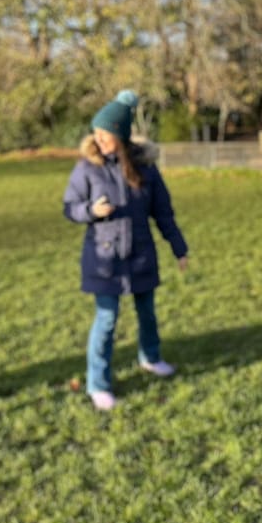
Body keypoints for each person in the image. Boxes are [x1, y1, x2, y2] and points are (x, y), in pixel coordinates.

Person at [63, 91, 189, 411]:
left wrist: (179, 248)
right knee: (106, 320)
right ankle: (98, 384)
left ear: (121, 134)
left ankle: (151, 357)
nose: (100, 139)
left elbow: (163, 212)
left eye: (107, 134)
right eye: (98, 133)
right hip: (104, 260)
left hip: (141, 254)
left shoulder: (146, 167)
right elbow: (70, 207)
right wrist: (91, 210)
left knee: (147, 312)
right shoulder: (86, 169)